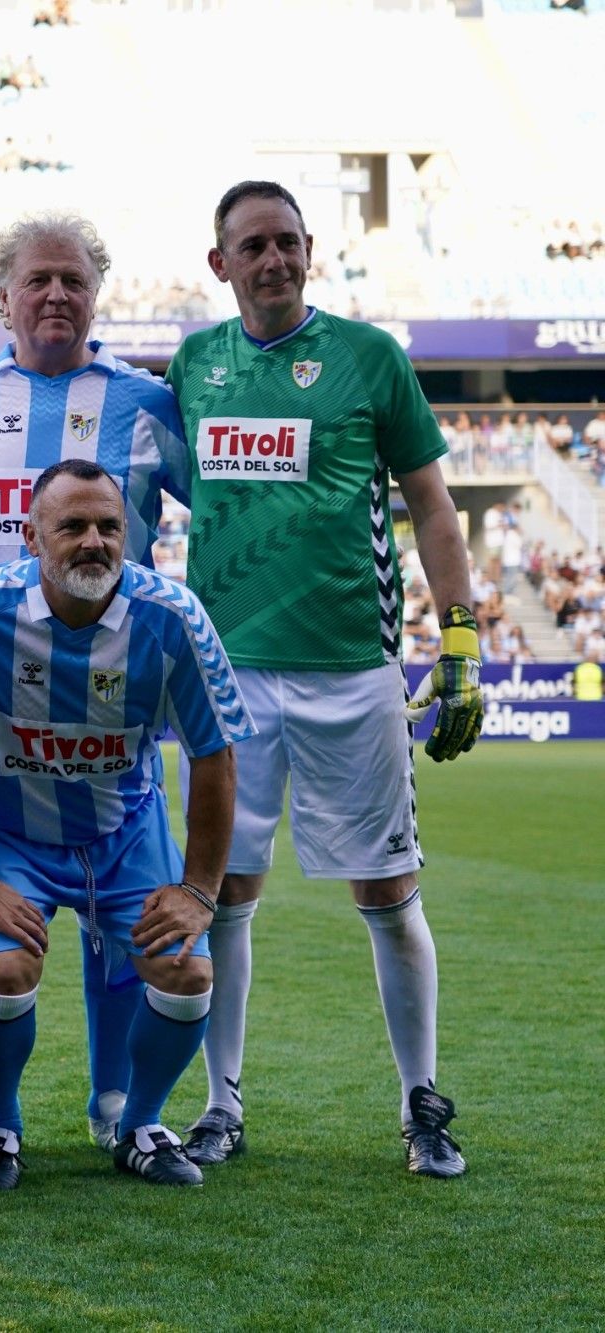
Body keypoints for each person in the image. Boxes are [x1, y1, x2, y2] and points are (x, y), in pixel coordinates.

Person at [167, 180, 482, 1178]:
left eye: (286, 242)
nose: (272, 259)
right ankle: (219, 1106)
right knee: (221, 895)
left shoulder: (367, 357)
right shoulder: (190, 365)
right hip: (226, 676)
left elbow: (431, 506)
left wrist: (459, 634)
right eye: (250, 246)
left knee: (387, 892)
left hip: (351, 671)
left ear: (310, 250)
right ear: (218, 264)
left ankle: (418, 1103)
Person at [0, 212, 191, 1162]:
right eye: (38, 281)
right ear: (2, 298)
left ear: (97, 293)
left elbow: (221, 499)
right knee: (2, 915)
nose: (57, 295)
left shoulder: (148, 405)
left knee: (127, 918)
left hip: (111, 700)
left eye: (74, 279)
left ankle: (117, 1101)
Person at [0, 459, 250, 1188]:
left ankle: (140, 1123)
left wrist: (199, 889)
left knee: (185, 966)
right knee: (3, 966)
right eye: (72, 526)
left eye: (109, 526)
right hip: (15, 838)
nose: (93, 541)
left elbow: (214, 758)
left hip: (124, 829)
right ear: (31, 537)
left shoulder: (173, 617)